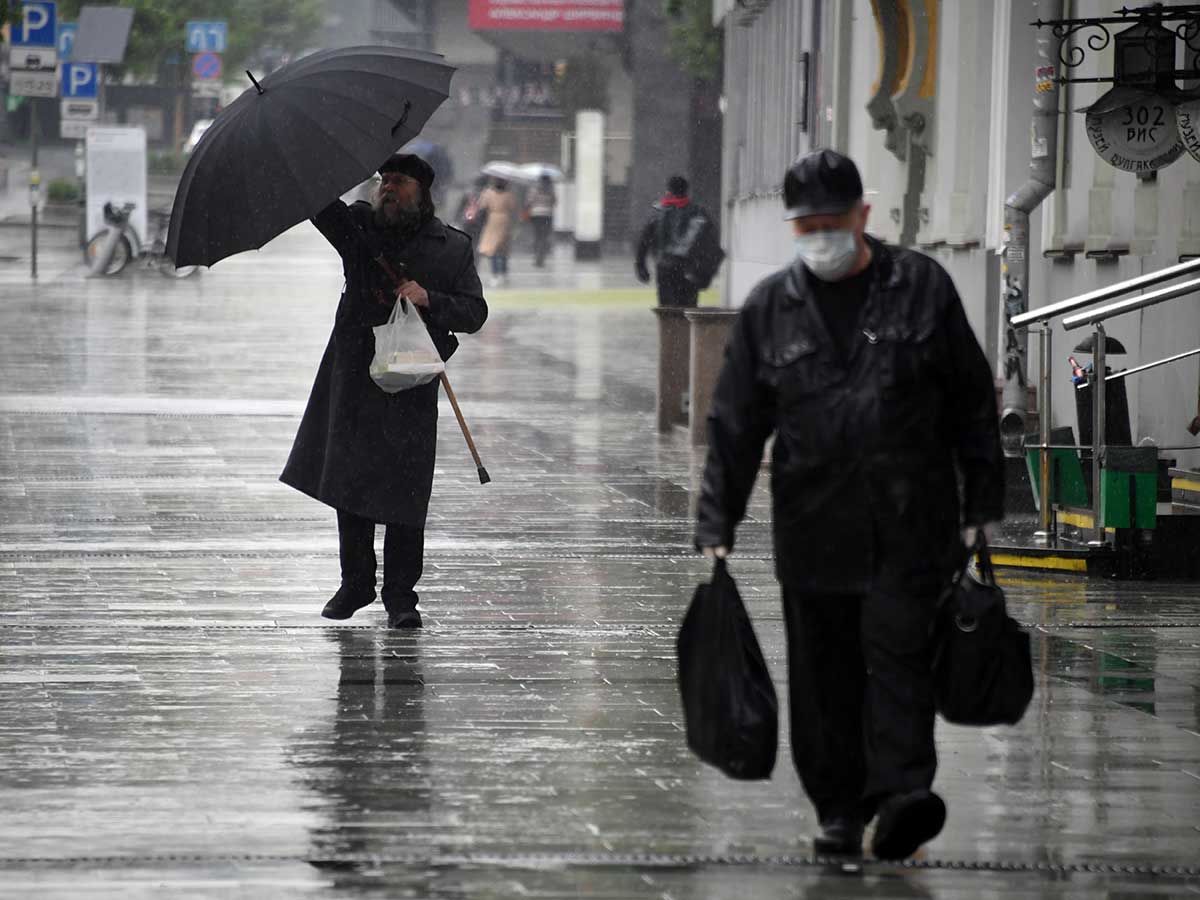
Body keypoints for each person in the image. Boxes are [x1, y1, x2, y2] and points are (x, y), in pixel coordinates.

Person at [694, 149, 1004, 860]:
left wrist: (981, 499)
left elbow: (969, 399)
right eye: (808, 228)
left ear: (863, 215)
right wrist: (718, 517)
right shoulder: (772, 308)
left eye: (833, 223)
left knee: (900, 660)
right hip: (814, 524)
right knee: (823, 674)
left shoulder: (920, 288)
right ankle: (838, 807)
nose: (821, 238)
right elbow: (736, 421)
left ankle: (902, 794)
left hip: (912, 519)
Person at [280, 153, 488, 630]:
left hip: (411, 386)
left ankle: (400, 596)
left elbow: (474, 312)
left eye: (399, 181)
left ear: (422, 192)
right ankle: (355, 582)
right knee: (351, 483)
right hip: (356, 378)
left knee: (406, 491)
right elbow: (318, 204)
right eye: (383, 180)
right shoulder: (358, 228)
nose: (388, 188)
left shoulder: (451, 247)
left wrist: (430, 298)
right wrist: (335, 169)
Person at [635, 175, 722, 307]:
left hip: (665, 270)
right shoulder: (698, 212)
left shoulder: (659, 212)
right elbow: (712, 243)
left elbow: (644, 242)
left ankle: (670, 320)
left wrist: (641, 266)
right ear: (686, 191)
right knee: (688, 309)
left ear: (668, 191)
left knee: (667, 309)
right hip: (690, 271)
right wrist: (705, 274)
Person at [477, 177, 519, 287]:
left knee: (492, 249)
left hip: (492, 220)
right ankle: (503, 273)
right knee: (503, 249)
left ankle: (495, 274)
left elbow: (482, 205)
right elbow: (513, 207)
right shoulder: (509, 194)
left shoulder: (488, 193)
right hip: (505, 220)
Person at [525, 174, 557, 267]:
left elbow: (529, 201)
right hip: (547, 215)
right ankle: (541, 258)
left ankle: (537, 258)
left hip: (536, 215)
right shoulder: (551, 190)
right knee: (544, 237)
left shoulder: (534, 189)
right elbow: (554, 201)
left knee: (537, 236)